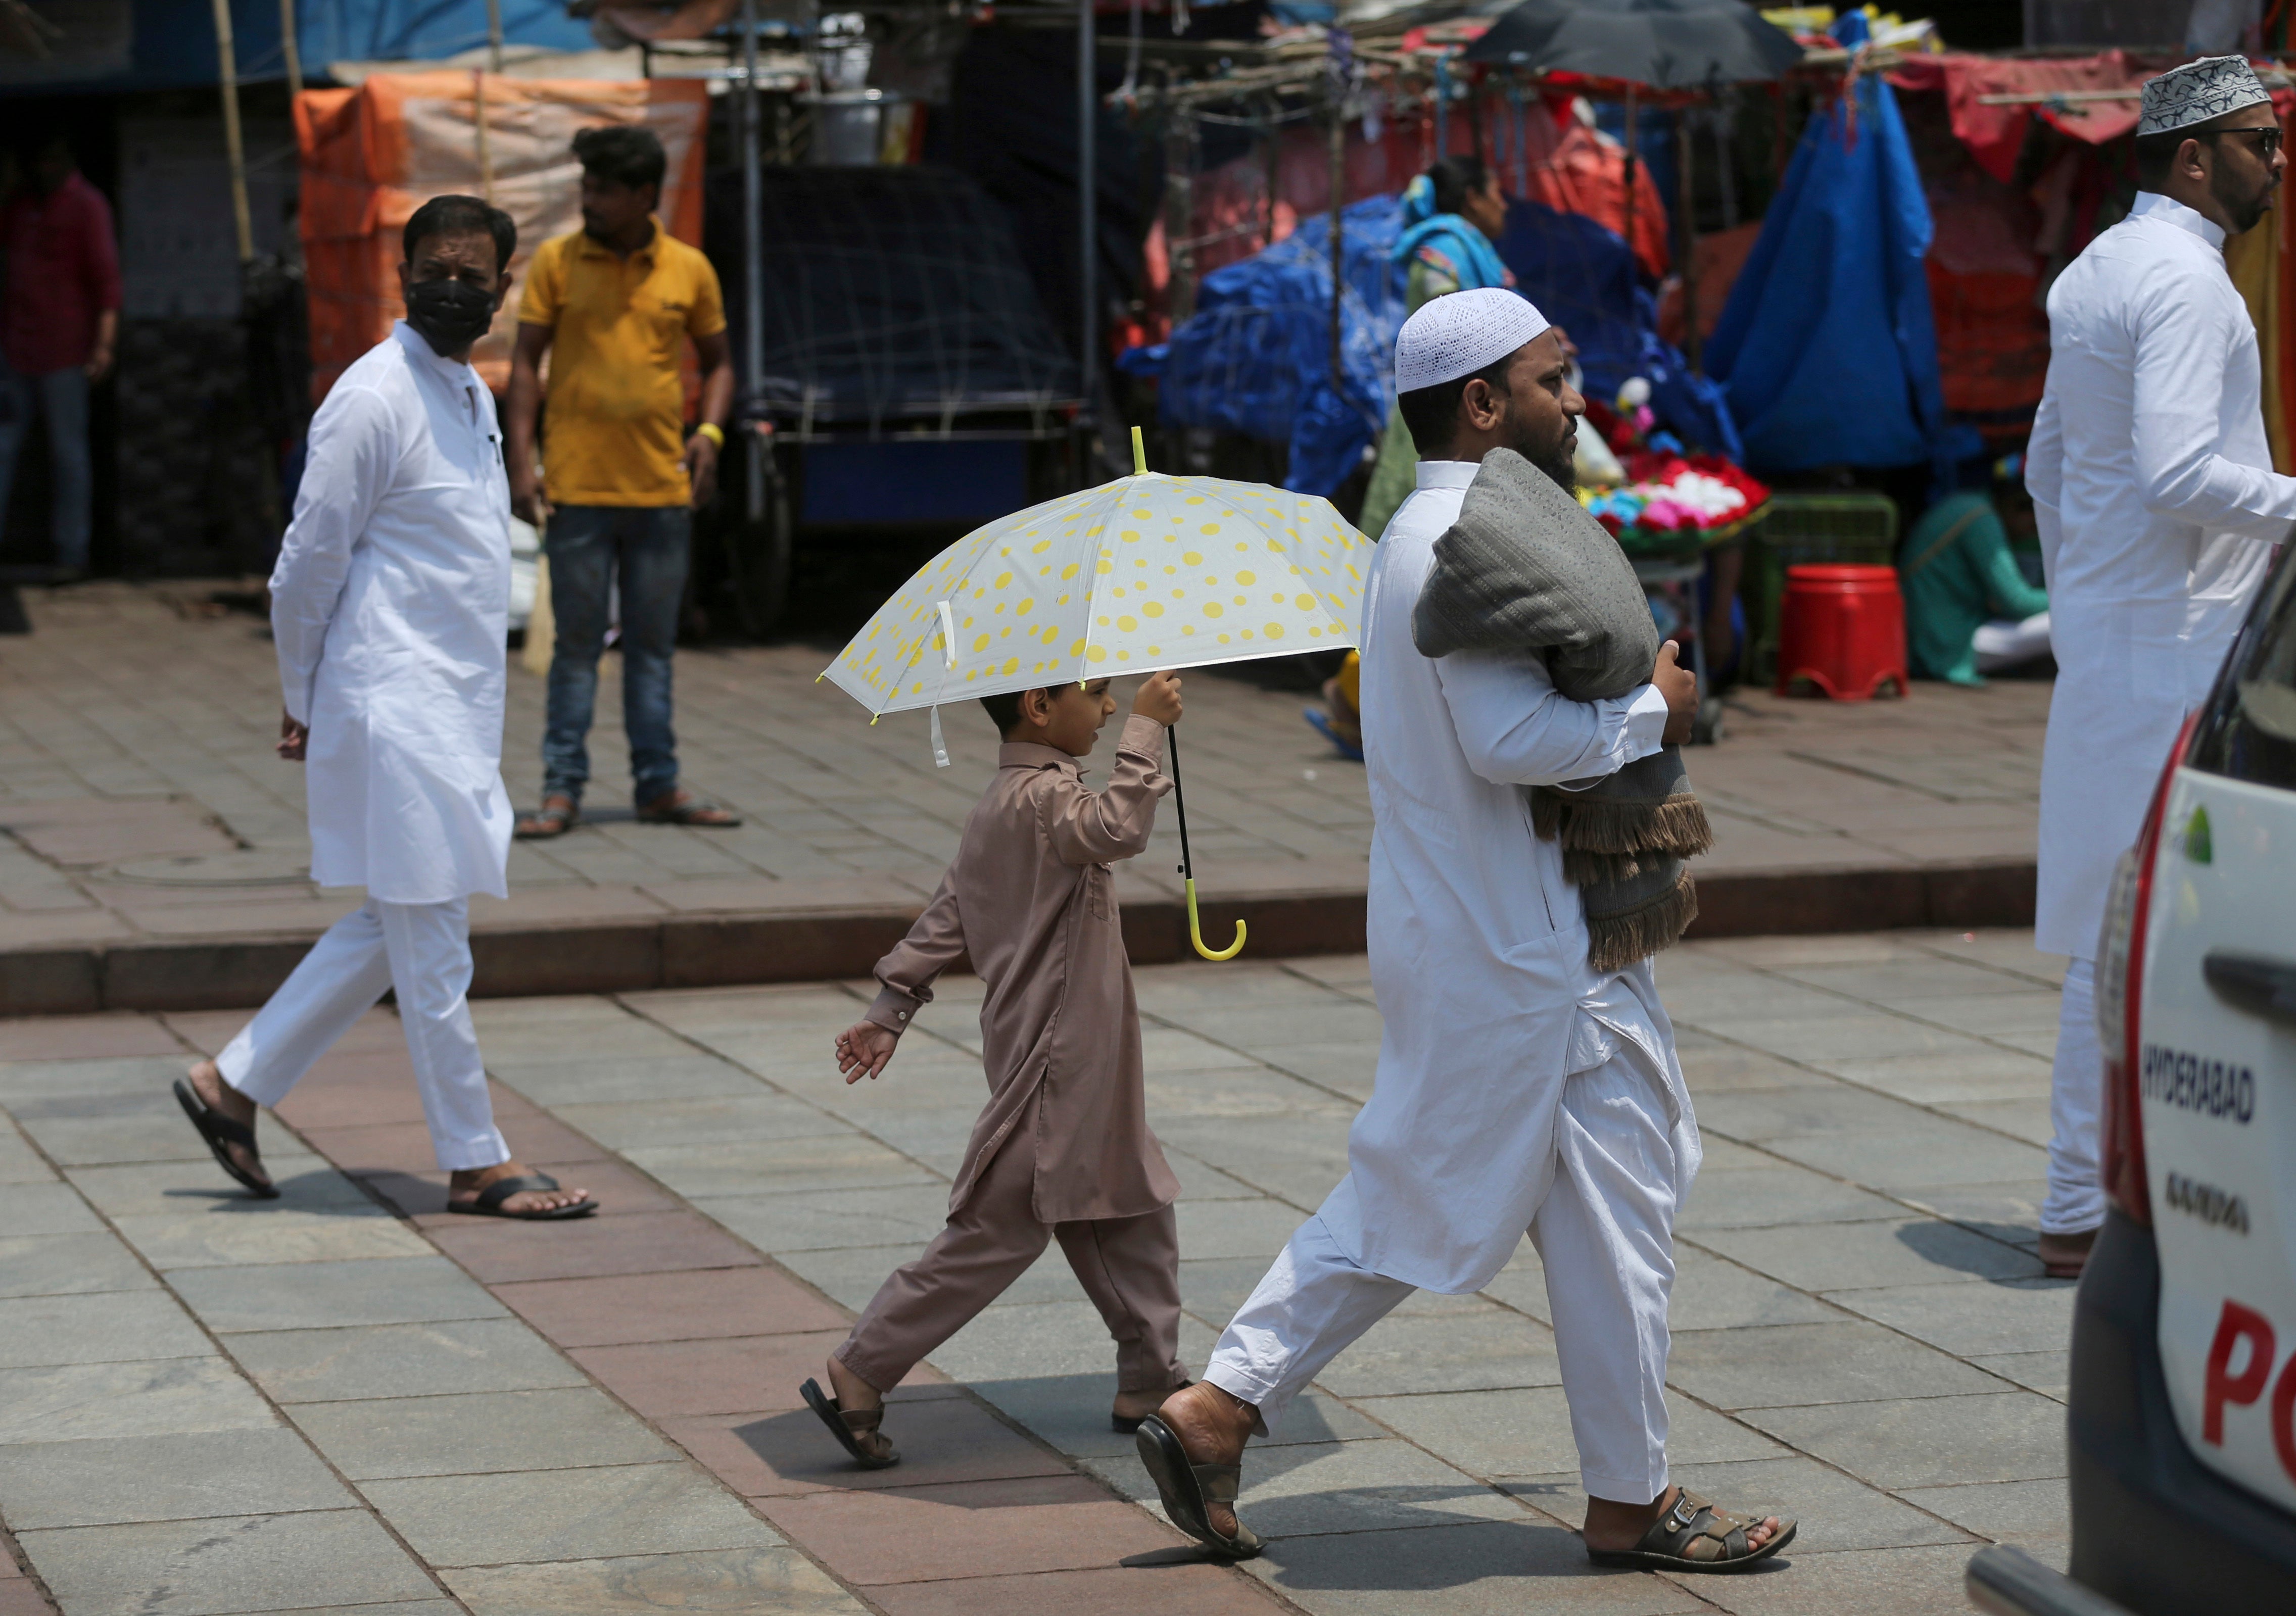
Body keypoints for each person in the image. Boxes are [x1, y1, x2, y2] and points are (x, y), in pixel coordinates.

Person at [1135, 290, 1794, 1572]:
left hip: (1482, 936)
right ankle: (1629, 1502)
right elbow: (1510, 743)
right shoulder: (1458, 539)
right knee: (1594, 1218)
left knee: (1429, 1200)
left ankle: (1218, 1408)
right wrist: (1652, 710)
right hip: (1526, 953)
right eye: (1554, 380)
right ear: (1483, 404)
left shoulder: (1429, 529)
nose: (1576, 399)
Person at [172, 195, 594, 1222]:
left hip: (450, 704)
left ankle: (229, 1084)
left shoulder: (471, 397)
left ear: (503, 287)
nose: (455, 286)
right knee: (433, 934)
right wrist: (299, 691)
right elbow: (304, 566)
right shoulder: (371, 396)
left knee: (393, 921)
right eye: (434, 269)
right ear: (402, 277)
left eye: (474, 272)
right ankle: (476, 1159)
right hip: (391, 698)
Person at [2024, 56, 2294, 1280]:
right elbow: (2177, 475)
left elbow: (2044, 466)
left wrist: (2081, 596)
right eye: (2258, 141)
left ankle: (2081, 1203)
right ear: (2193, 157)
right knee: (2175, 930)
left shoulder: (2094, 270)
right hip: (2180, 651)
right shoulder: (2187, 282)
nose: (2276, 160)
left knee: (2106, 933)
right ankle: (2107, 1202)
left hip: (2115, 641)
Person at [802, 672, 1191, 1468]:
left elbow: (953, 904)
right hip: (1059, 1050)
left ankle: (1150, 1376)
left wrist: (891, 1005)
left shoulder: (1012, 798)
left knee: (1126, 1197)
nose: (1110, 705)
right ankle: (863, 1365)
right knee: (1006, 1215)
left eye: (1117, 697)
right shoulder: (1041, 799)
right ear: (1039, 707)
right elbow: (1115, 828)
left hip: (1085, 1048)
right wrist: (1146, 734)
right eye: (1098, 693)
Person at [508, 124, 739, 839]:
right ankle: (561, 788)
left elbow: (722, 363)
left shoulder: (689, 268)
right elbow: (524, 365)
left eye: (604, 188)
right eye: (586, 185)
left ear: (645, 194)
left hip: (661, 492)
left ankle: (657, 786)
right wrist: (520, 460)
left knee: (651, 650)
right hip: (575, 488)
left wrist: (710, 433)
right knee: (576, 648)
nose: (590, 199)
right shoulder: (555, 261)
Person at [1309, 156, 1517, 761]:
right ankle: (1350, 696)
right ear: (1472, 199)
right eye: (1496, 189)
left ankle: (1358, 700)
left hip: (1467, 420)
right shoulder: (1442, 256)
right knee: (1418, 565)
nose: (1505, 203)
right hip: (1449, 429)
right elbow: (1448, 344)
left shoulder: (1463, 251)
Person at [0, 133, 119, 577]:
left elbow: (107, 279)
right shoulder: (23, 207)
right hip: (16, 347)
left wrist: (104, 344)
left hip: (66, 352)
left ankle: (73, 552)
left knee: (68, 454)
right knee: (4, 448)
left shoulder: (86, 205)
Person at [1900, 489, 2050, 687]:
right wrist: (2075, 597)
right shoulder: (1980, 518)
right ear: (2016, 505)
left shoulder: (1967, 505)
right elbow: (2018, 602)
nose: (2034, 530)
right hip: (1947, 648)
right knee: (2074, 615)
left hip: (1930, 639)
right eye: (2033, 523)